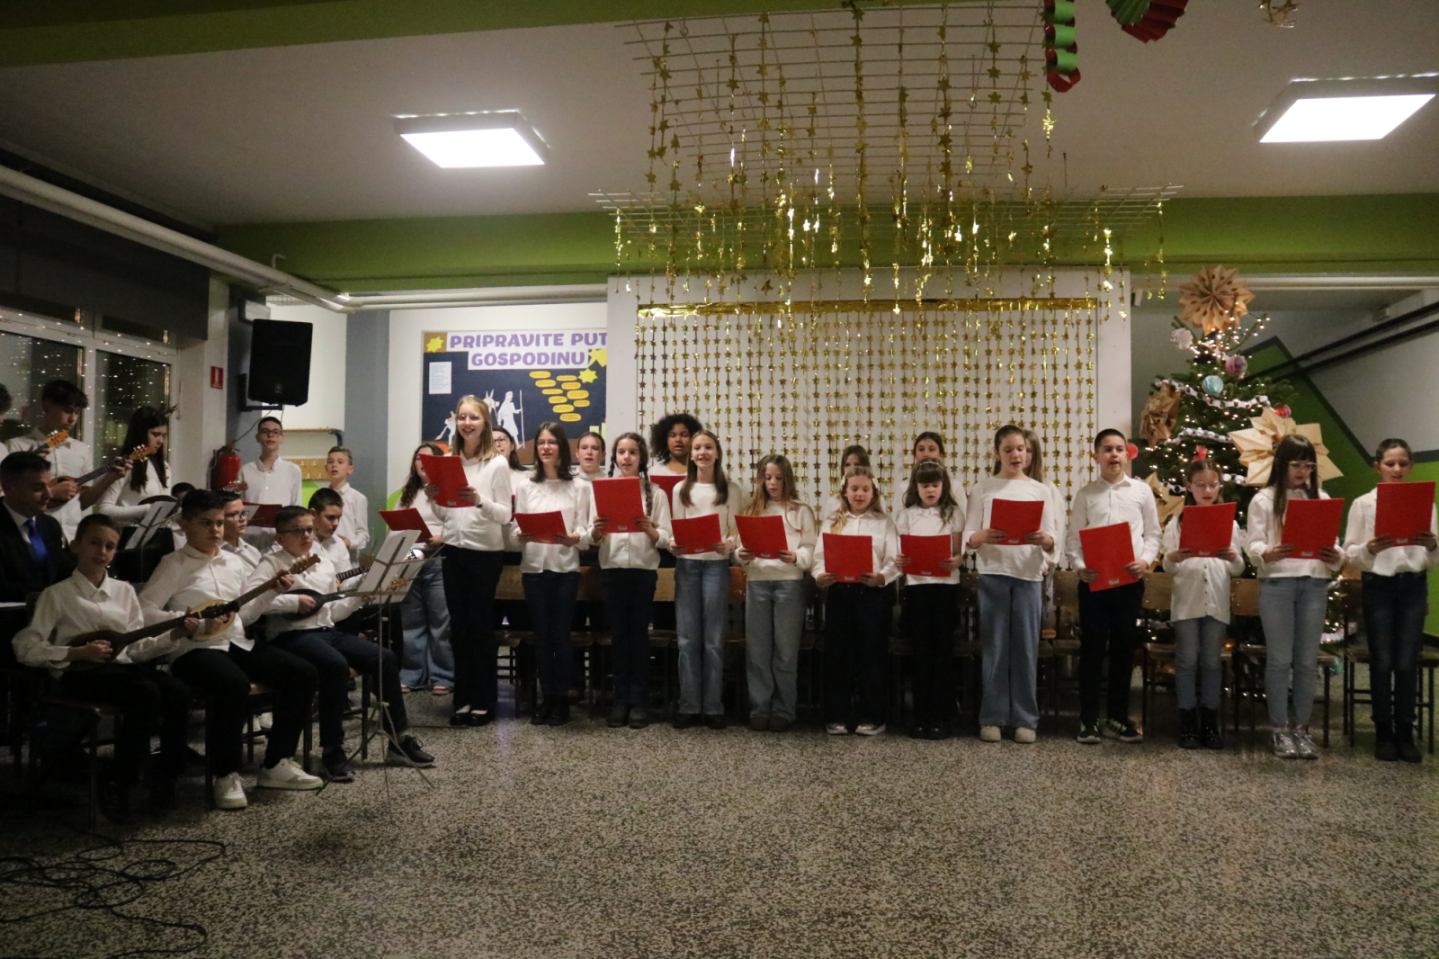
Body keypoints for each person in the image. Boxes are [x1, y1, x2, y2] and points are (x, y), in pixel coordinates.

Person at [140, 489, 322, 810]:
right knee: (233, 684)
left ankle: (276, 762)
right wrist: (186, 620)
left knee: (302, 673)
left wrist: (270, 593)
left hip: (236, 642)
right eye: (205, 523)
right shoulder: (173, 564)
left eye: (219, 523)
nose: (215, 530)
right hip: (193, 649)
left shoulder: (233, 563)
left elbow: (245, 615)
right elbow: (144, 611)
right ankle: (225, 773)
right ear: (184, 524)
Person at [13, 514, 190, 819]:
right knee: (144, 693)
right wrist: (76, 652)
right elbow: (25, 646)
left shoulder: (124, 591)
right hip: (80, 673)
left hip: (122, 669)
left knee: (177, 692)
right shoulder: (57, 594)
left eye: (110, 546)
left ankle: (165, 777)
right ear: (76, 545)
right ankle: (120, 782)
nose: (102, 552)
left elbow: (134, 648)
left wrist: (174, 634)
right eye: (94, 543)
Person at [249, 506, 433, 782]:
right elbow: (251, 602)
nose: (306, 536)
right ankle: (332, 750)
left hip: (326, 630)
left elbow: (332, 612)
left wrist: (360, 597)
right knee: (335, 665)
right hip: (291, 635)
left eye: (309, 530)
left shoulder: (322, 562)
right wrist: (292, 602)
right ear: (280, 536)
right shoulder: (271, 564)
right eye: (298, 531)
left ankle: (399, 739)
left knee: (384, 657)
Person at [1245, 434, 1345, 760]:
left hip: (1314, 583)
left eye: (1308, 465)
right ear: (1282, 464)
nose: (1303, 471)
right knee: (1279, 659)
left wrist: (1336, 554)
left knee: (1306, 661)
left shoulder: (1321, 497)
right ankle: (1279, 729)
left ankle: (1301, 728)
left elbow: (1335, 544)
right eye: (1296, 464)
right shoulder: (1264, 499)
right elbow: (1253, 543)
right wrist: (1266, 553)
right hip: (1278, 584)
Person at [964, 426, 1061, 744]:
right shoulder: (983, 488)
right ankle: (991, 717)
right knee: (994, 649)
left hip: (1028, 576)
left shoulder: (1040, 490)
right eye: (1008, 450)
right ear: (997, 453)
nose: (1016, 455)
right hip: (993, 573)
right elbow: (969, 536)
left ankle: (1024, 719)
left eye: (1021, 449)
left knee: (1025, 650)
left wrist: (1046, 540)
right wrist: (980, 536)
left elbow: (1052, 538)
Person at [1342, 438, 1437, 764]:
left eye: (1403, 464)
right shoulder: (1364, 504)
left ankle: (1405, 732)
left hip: (1412, 586)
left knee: (1407, 661)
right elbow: (1349, 552)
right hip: (1379, 586)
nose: (1397, 469)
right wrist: (1369, 548)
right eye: (1390, 464)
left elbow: (1434, 555)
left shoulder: (1424, 502)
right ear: (1377, 466)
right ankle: (1383, 731)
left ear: (1410, 466)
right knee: (1382, 661)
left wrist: (1432, 544)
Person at [1066, 429, 1161, 745]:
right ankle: (1089, 720)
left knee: (1123, 650)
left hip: (1129, 582)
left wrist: (1145, 560)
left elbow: (1153, 534)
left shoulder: (1141, 492)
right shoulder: (1086, 494)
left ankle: (1118, 718)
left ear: (1127, 454)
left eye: (1119, 449)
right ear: (1096, 456)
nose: (1114, 455)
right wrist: (1080, 567)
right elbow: (1073, 539)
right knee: (1092, 650)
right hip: (1094, 583)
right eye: (1107, 449)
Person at [430, 395, 512, 727]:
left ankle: (483, 701)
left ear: (485, 423)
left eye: (473, 418)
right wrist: (435, 498)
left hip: (484, 554)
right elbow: (444, 514)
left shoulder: (497, 463)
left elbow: (505, 515)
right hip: (453, 550)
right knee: (459, 630)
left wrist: (479, 500)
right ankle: (462, 699)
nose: (467, 423)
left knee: (479, 628)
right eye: (462, 417)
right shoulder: (449, 462)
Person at [1160, 458, 1245, 749]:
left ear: (1219, 487)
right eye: (1200, 485)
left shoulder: (1230, 523)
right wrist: (1174, 556)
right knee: (1187, 661)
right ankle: (1187, 721)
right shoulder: (1178, 521)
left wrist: (1233, 557)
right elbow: (1168, 565)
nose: (1207, 490)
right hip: (1187, 601)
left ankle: (1209, 721)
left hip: (1216, 602)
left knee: (1211, 662)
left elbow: (1237, 568)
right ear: (1189, 487)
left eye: (1212, 485)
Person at [589, 432, 671, 729]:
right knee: (619, 636)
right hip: (612, 569)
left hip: (642, 571)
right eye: (621, 452)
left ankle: (638, 701)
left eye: (632, 452)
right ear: (614, 458)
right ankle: (620, 699)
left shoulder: (655, 493)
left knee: (638, 636)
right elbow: (591, 536)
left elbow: (667, 538)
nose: (626, 457)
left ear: (641, 458)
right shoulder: (601, 490)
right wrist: (597, 530)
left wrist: (651, 530)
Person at [512, 422, 590, 725]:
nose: (546, 447)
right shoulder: (526, 485)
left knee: (561, 636)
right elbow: (517, 527)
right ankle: (546, 698)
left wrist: (575, 538)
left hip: (565, 569)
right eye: (541, 442)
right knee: (542, 637)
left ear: (561, 448)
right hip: (534, 568)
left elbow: (586, 530)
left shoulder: (579, 486)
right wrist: (519, 534)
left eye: (552, 442)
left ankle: (562, 700)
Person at [814, 465, 899, 736]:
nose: (859, 494)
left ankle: (872, 716)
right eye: (854, 489)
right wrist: (821, 575)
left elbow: (894, 560)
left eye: (865, 489)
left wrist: (882, 577)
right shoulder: (832, 521)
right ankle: (837, 715)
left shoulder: (884, 523)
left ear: (873, 493)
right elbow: (819, 557)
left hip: (872, 593)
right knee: (839, 654)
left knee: (871, 654)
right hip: (840, 592)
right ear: (845, 492)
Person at [736, 454, 816, 733]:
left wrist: (796, 557)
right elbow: (739, 549)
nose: (772, 483)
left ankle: (783, 709)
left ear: (787, 480)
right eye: (767, 477)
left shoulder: (800, 510)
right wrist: (742, 554)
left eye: (778, 478)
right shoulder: (751, 510)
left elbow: (810, 549)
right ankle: (760, 708)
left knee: (785, 652)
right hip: (758, 581)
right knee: (758, 651)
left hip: (788, 583)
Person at [668, 429, 737, 729]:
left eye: (708, 447)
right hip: (687, 566)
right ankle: (689, 705)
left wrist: (729, 544)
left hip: (716, 567)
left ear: (717, 453)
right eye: (697, 448)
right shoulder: (680, 489)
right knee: (687, 640)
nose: (702, 453)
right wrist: (673, 544)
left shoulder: (731, 489)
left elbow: (736, 532)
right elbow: (674, 530)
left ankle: (712, 706)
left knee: (713, 641)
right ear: (691, 454)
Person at [894, 461, 963, 740]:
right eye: (925, 485)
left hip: (945, 587)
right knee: (921, 652)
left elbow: (958, 551)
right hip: (918, 588)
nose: (930, 490)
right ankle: (921, 716)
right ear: (916, 487)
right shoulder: (907, 514)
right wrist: (900, 560)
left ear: (943, 486)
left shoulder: (953, 513)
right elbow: (901, 551)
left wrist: (957, 560)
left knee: (942, 652)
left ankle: (941, 717)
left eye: (935, 485)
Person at [6, 380, 125, 541]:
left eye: (77, 412)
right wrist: (52, 492)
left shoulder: (81, 449)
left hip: (72, 536)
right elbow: (9, 497)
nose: (72, 419)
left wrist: (110, 478)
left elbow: (82, 502)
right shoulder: (17, 445)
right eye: (68, 411)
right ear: (47, 405)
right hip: (30, 536)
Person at [396, 442, 454, 696]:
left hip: (439, 558)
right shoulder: (407, 494)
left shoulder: (447, 491)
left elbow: (459, 525)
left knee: (441, 623)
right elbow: (396, 526)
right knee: (411, 623)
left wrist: (441, 537)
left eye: (428, 458)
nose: (422, 462)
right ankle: (412, 674)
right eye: (418, 458)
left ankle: (443, 675)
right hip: (411, 559)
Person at [892, 431, 967, 521]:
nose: (926, 454)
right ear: (914, 455)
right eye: (921, 449)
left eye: (931, 449)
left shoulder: (955, 487)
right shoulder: (904, 487)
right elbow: (896, 521)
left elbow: (964, 520)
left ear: (941, 455)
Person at [324, 446, 370, 558]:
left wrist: (350, 542)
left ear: (350, 469)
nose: (334, 465)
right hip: (324, 557)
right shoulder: (321, 496)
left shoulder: (358, 498)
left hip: (348, 558)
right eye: (330, 462)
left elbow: (363, 534)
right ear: (326, 468)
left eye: (340, 462)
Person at [820, 444, 871, 523]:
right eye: (847, 465)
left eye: (857, 464)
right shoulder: (833, 502)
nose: (851, 468)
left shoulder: (876, 502)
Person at [650, 413, 703, 477]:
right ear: (664, 440)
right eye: (672, 435)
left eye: (684, 435)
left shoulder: (702, 471)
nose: (678, 439)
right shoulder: (654, 472)